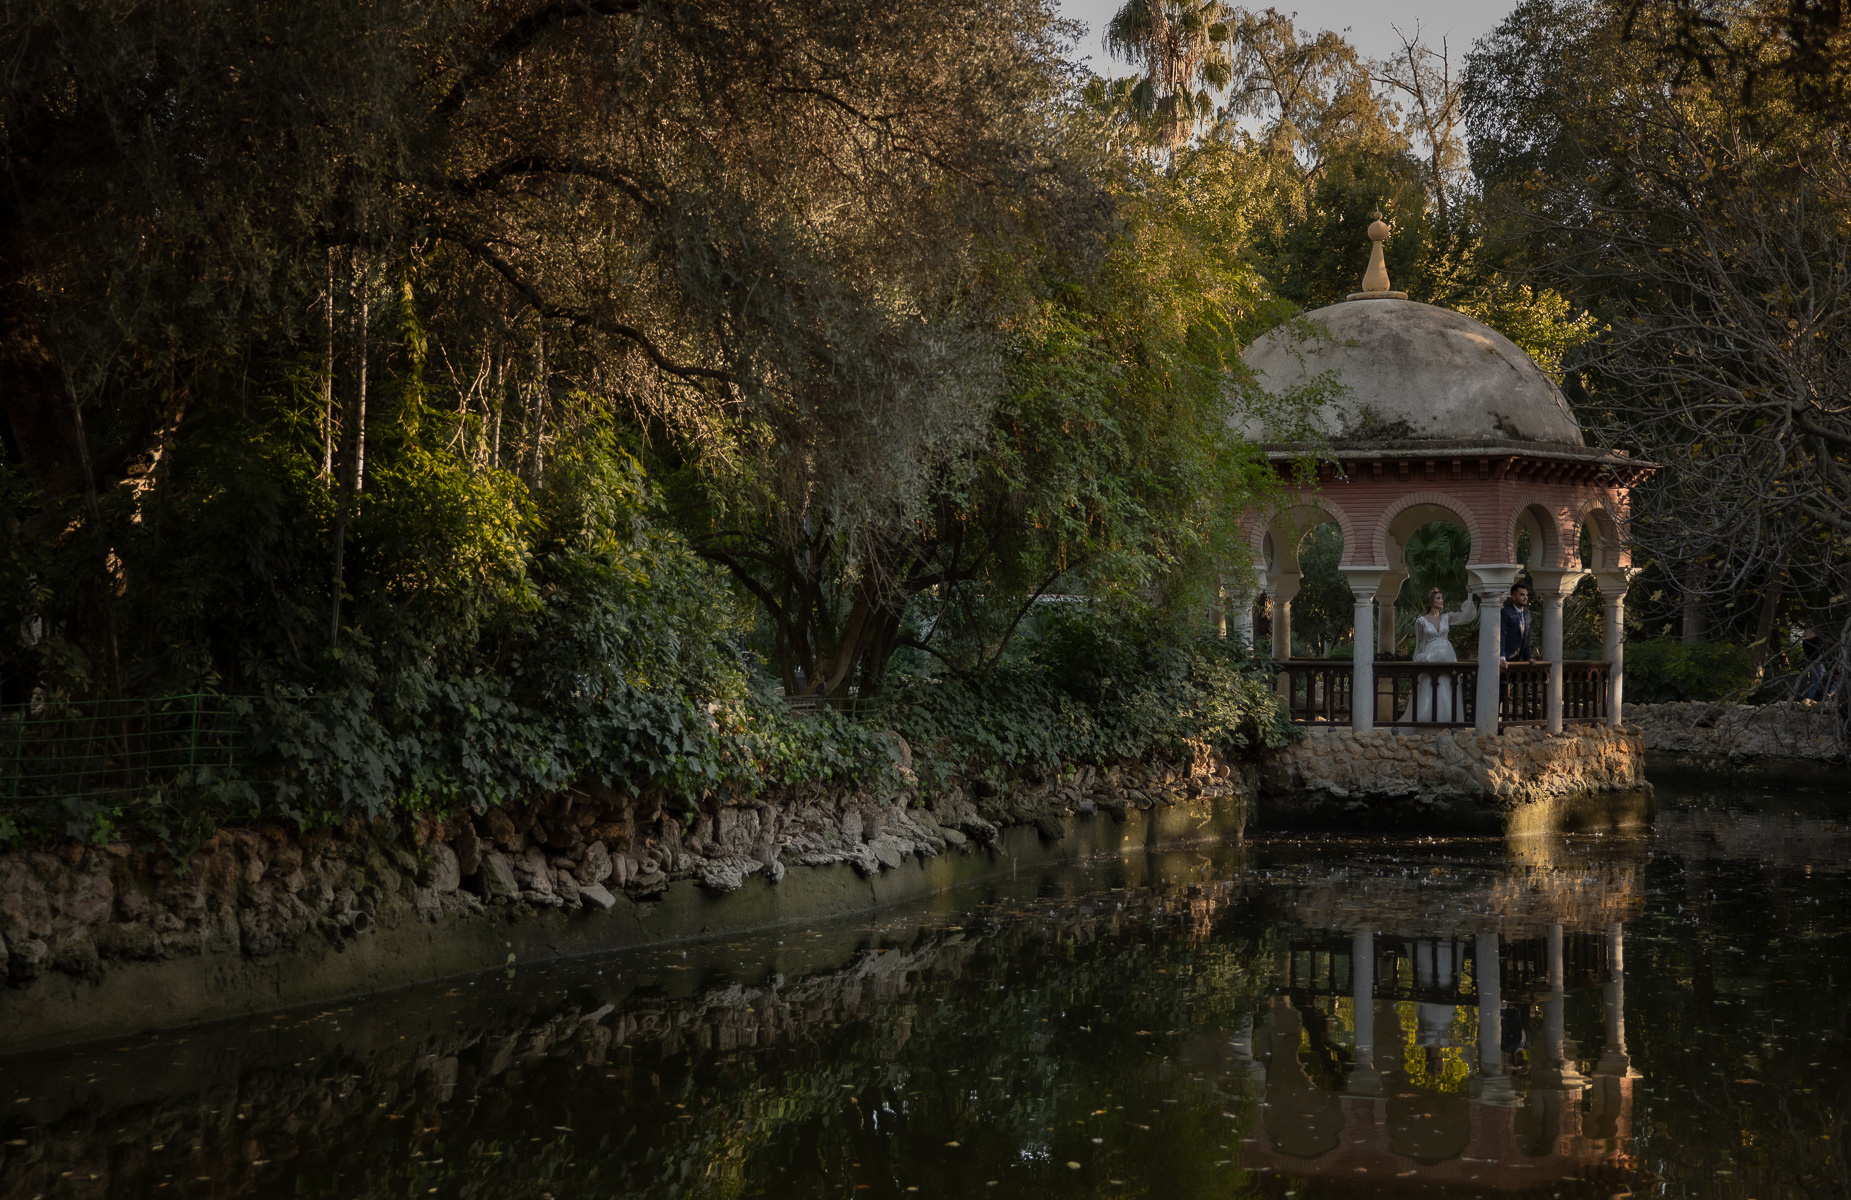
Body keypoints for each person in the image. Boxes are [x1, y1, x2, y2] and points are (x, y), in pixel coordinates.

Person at [1402, 586, 1477, 722]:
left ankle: (1448, 718)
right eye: (1438, 598)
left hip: (1447, 654)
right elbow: (1419, 644)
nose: (1441, 600)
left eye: (1442, 598)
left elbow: (1466, 616)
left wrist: (1470, 595)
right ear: (1431, 601)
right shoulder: (1421, 621)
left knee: (1447, 684)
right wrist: (1421, 656)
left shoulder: (1446, 618)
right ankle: (1426, 718)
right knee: (1430, 684)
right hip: (1431, 655)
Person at [1500, 582, 1537, 665]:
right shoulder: (1505, 612)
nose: (1526, 597)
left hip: (1518, 658)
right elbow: (1502, 635)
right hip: (1506, 657)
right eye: (1522, 595)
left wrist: (1528, 657)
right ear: (1513, 597)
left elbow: (1526, 637)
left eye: (1526, 595)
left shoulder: (1527, 613)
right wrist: (1501, 656)